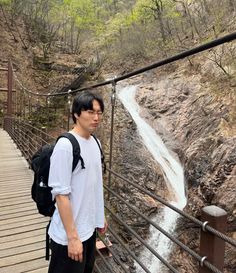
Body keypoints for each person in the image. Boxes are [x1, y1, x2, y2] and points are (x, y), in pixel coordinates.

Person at [47, 90, 107, 273]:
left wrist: (100, 216)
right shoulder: (65, 146)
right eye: (90, 112)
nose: (96, 117)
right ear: (76, 114)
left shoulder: (96, 143)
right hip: (68, 237)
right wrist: (73, 238)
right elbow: (61, 196)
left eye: (99, 113)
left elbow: (94, 185)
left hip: (89, 232)